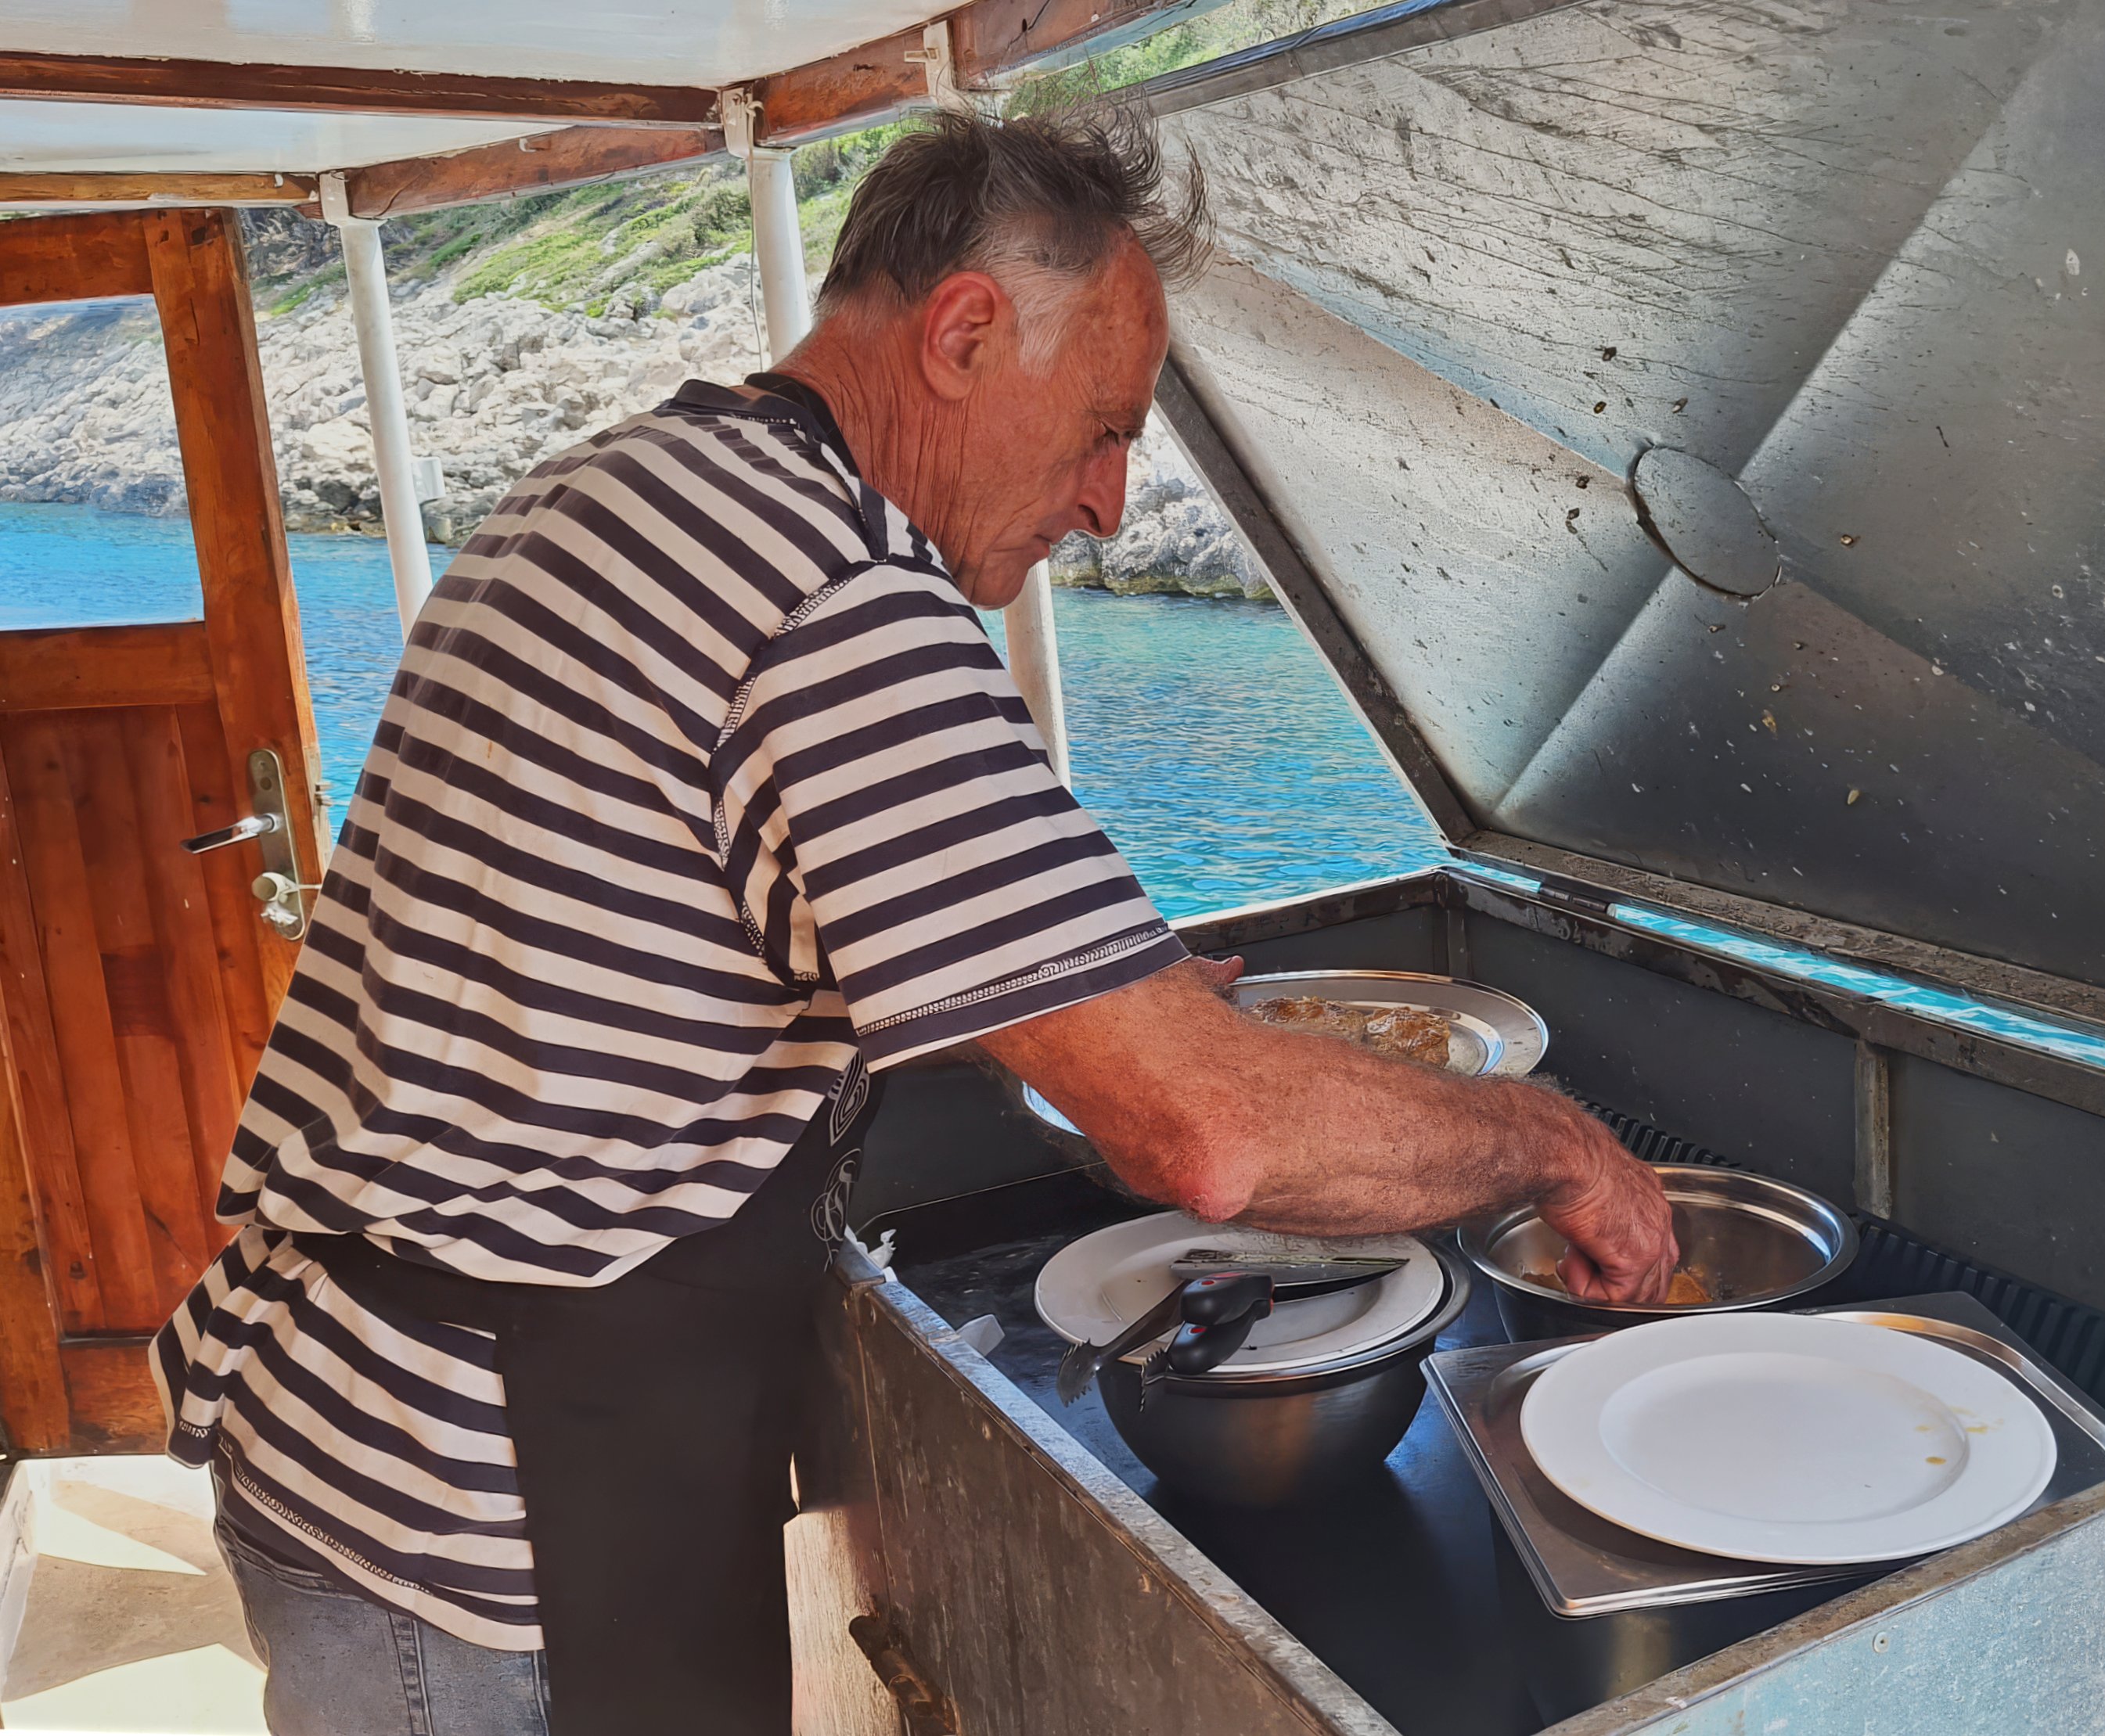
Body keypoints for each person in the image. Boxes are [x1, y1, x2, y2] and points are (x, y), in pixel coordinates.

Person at [155, 108, 1676, 1736]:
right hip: (482, 1524)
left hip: (371, 1437)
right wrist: (1553, 1144)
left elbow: (672, 946)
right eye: (1100, 429)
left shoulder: (623, 489)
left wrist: (1114, 1018)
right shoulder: (831, 599)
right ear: (961, 333)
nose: (1104, 505)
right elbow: (1211, 1145)